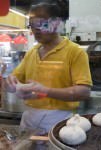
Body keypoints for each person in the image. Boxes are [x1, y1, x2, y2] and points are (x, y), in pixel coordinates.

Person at [5, 0, 92, 134]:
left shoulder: (75, 52)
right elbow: (13, 81)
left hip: (61, 122)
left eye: (40, 23)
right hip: (29, 121)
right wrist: (10, 84)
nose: (36, 30)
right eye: (32, 25)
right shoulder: (31, 53)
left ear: (56, 23)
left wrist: (45, 90)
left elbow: (84, 92)